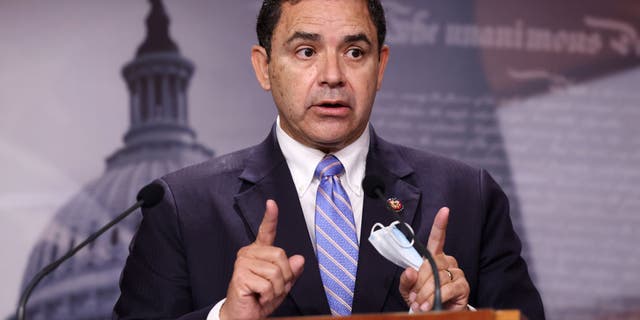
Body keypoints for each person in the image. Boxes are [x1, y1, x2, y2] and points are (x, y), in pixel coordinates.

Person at [113, 0, 545, 319]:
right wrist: (226, 317)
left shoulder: (469, 195)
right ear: (264, 68)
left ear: (381, 67)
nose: (333, 75)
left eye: (355, 52)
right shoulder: (181, 206)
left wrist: (462, 314)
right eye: (306, 52)